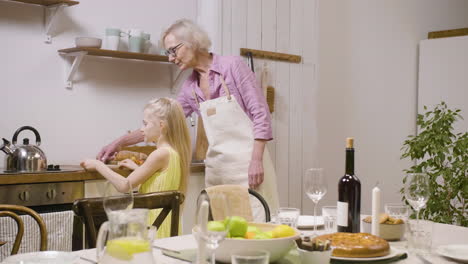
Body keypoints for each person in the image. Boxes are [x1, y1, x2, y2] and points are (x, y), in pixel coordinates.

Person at [97, 19, 279, 218]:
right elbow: (160, 124)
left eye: (173, 50)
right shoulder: (190, 87)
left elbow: (261, 113)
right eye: (168, 53)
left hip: (248, 165)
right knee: (223, 232)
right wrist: (118, 143)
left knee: (258, 227)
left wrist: (256, 160)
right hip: (218, 170)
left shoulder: (232, 66)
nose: (171, 58)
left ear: (193, 42)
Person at [82, 97, 191, 238]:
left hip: (154, 230)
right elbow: (160, 179)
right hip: (165, 227)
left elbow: (124, 186)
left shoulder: (160, 154)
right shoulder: (173, 152)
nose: (141, 129)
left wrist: (98, 165)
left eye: (145, 124)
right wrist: (137, 168)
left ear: (162, 125)